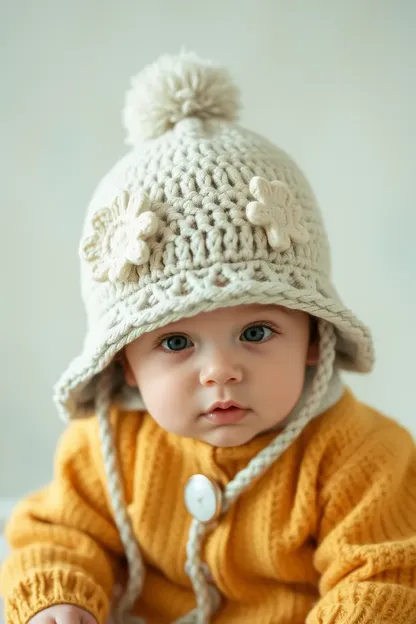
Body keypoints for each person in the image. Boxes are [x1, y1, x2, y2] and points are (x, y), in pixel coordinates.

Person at [1, 51, 416, 624]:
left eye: (255, 331)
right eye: (175, 343)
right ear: (125, 363)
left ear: (315, 338)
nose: (220, 370)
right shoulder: (106, 447)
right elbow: (60, 533)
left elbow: (384, 573)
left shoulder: (363, 457)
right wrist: (61, 597)